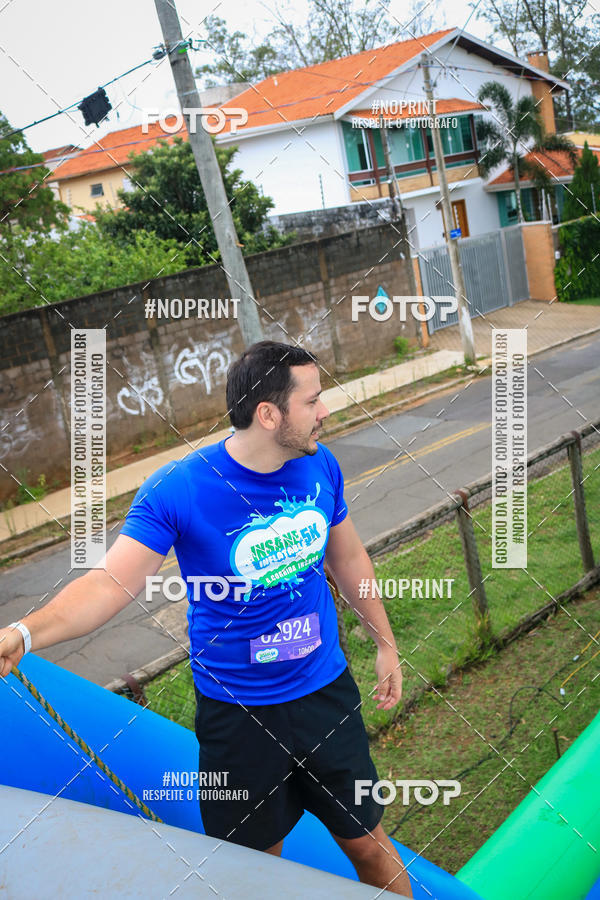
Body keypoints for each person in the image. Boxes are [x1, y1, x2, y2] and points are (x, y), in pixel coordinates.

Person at [0, 340, 413, 897]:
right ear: (269, 414)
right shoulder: (180, 488)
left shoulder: (320, 465)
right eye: (313, 400)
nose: (325, 410)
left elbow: (348, 558)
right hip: (237, 719)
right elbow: (109, 583)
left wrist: (385, 643)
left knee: (368, 846)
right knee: (253, 873)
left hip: (326, 698)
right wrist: (25, 633)